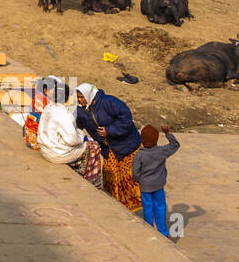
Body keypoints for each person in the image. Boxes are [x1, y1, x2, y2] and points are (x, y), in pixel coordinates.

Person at [76, 83, 143, 213]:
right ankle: (119, 209)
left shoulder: (108, 102)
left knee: (130, 179)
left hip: (127, 146)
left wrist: (110, 130)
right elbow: (77, 125)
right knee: (111, 178)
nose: (79, 100)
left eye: (81, 97)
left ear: (89, 96)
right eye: (78, 97)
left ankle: (139, 210)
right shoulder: (82, 110)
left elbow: (127, 119)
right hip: (109, 150)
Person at [36, 79, 103, 188]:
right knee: (93, 146)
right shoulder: (65, 114)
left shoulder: (48, 108)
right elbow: (72, 140)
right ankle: (91, 183)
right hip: (57, 155)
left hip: (45, 150)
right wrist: (82, 137)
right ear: (67, 98)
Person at [132, 124, 180, 237]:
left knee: (147, 207)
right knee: (160, 206)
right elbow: (175, 145)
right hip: (159, 185)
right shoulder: (161, 151)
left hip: (145, 186)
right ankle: (162, 232)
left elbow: (135, 172)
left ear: (142, 140)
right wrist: (167, 132)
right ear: (156, 139)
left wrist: (140, 180)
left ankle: (149, 231)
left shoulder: (139, 155)